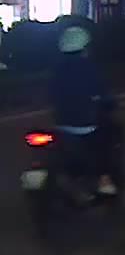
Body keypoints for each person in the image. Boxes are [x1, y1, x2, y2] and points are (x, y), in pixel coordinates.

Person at [48, 25, 119, 196]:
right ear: (85, 47)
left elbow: (51, 94)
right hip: (86, 125)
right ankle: (104, 179)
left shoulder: (57, 69)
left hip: (61, 124)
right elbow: (103, 92)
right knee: (105, 142)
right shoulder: (90, 68)